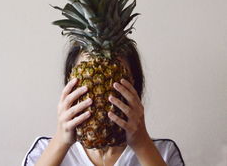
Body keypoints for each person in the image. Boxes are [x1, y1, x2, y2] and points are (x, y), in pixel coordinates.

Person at [22, 44, 185, 166]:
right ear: (69, 87)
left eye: (112, 80)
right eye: (90, 81)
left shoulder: (163, 152)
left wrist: (142, 144)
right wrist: (61, 141)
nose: (100, 96)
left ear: (134, 86)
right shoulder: (44, 150)